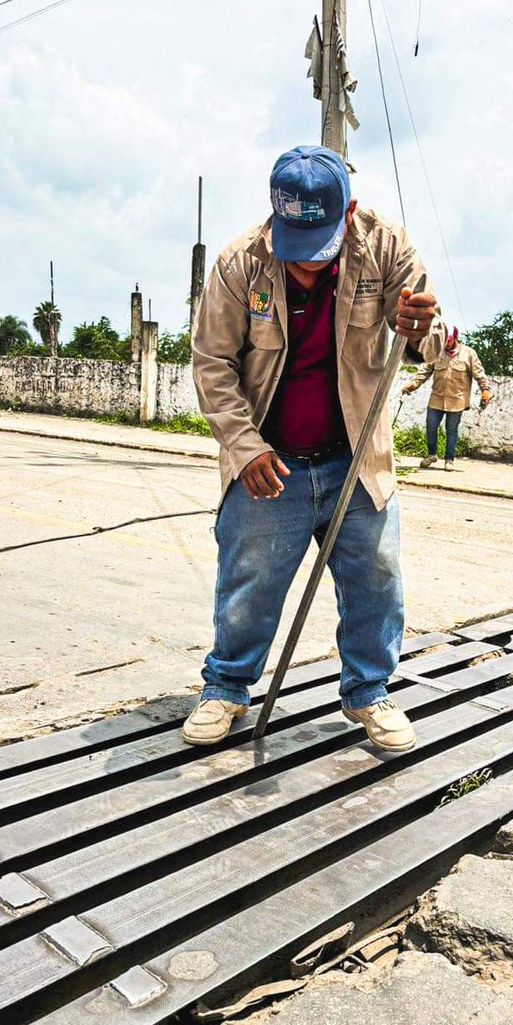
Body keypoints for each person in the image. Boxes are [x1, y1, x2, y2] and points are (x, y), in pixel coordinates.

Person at [185, 145, 447, 752]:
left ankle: (370, 692)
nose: (304, 268)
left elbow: (431, 345)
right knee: (248, 582)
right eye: (293, 250)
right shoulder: (238, 264)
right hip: (267, 463)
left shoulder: (386, 247)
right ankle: (225, 688)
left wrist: (419, 326)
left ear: (347, 212)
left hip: (355, 458)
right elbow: (212, 363)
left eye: (318, 253)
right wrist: (244, 447)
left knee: (376, 580)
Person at [402, 326, 491, 470]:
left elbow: (479, 373)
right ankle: (431, 454)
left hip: (457, 399)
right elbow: (425, 371)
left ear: (455, 338)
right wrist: (414, 384)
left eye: (449, 340)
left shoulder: (468, 353)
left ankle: (449, 460)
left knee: (451, 430)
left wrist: (485, 390)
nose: (446, 343)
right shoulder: (436, 352)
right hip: (437, 398)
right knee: (431, 427)